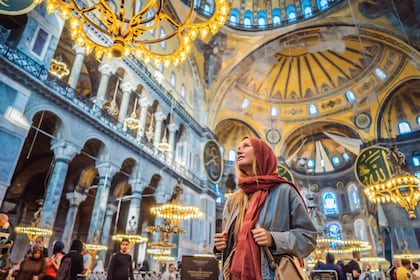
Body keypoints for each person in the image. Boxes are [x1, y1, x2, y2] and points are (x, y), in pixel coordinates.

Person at [214, 136, 317, 280]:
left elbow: (308, 238)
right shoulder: (234, 200)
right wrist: (221, 246)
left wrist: (274, 239)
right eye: (238, 147)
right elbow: (232, 251)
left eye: (246, 146)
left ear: (261, 154)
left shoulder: (284, 191)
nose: (239, 150)